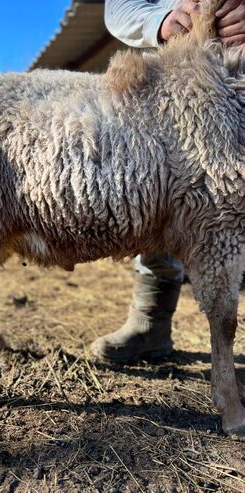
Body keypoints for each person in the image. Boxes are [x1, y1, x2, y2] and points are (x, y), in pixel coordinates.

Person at [91, 0, 245, 363]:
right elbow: (119, 7)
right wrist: (160, 21)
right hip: (181, 89)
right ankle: (151, 324)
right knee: (163, 199)